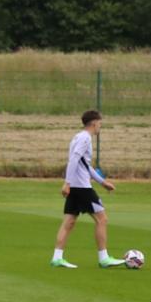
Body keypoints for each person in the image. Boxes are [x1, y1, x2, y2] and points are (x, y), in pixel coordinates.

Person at [51, 110, 125, 269]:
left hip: (77, 186)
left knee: (69, 221)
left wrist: (102, 182)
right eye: (100, 124)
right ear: (93, 123)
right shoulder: (85, 138)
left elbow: (84, 165)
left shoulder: (78, 137)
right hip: (82, 187)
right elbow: (74, 160)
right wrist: (67, 183)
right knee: (102, 219)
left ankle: (57, 258)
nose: (100, 127)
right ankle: (104, 258)